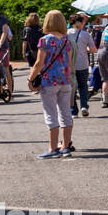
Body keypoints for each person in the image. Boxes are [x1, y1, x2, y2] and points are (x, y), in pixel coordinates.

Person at [28, 10, 74, 158]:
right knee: (66, 114)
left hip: (49, 82)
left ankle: (52, 148)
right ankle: (65, 147)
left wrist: (30, 79)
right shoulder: (67, 40)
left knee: (51, 114)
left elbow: (39, 63)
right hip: (65, 81)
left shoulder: (45, 40)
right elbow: (69, 63)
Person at [66, 12, 97, 117]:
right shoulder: (85, 34)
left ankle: (73, 111)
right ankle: (84, 106)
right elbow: (93, 49)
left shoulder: (66, 33)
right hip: (83, 64)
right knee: (83, 87)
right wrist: (86, 48)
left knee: (72, 88)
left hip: (70, 65)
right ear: (80, 23)